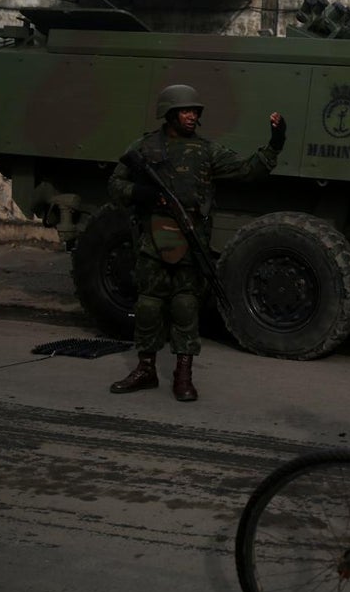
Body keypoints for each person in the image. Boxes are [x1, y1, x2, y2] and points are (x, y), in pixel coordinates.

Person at [108, 83, 287, 402]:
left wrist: (276, 142)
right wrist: (142, 194)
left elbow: (248, 170)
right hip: (153, 238)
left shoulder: (206, 151)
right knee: (149, 305)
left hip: (192, 239)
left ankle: (183, 375)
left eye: (195, 112)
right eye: (186, 111)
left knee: (185, 305)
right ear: (169, 114)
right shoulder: (146, 148)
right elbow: (116, 183)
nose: (192, 116)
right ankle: (145, 369)